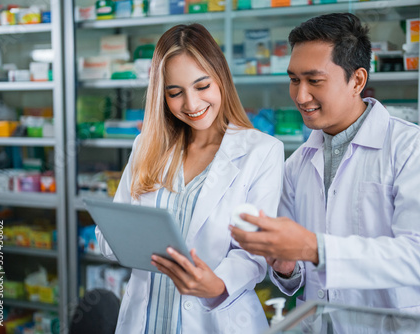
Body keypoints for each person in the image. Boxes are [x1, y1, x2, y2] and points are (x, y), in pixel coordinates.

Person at [230, 12, 420, 322]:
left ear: (357, 80)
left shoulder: (412, 149)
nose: (300, 95)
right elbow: (299, 276)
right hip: (320, 324)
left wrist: (315, 248)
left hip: (396, 326)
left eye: (314, 81)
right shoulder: (297, 165)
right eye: (294, 80)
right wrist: (287, 266)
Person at [96, 23, 284, 333]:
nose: (192, 104)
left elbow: (255, 254)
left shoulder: (262, 151)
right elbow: (109, 238)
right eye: (175, 93)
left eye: (202, 86)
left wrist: (216, 284)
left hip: (217, 320)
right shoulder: (147, 144)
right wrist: (127, 238)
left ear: (220, 77)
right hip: (146, 323)